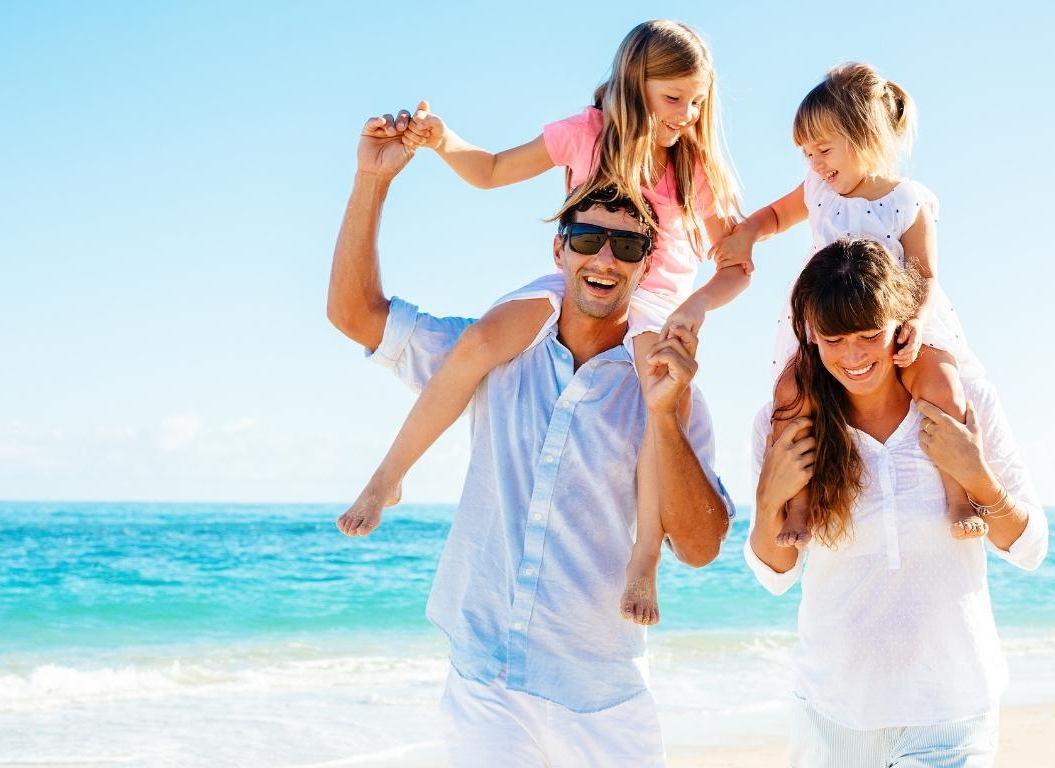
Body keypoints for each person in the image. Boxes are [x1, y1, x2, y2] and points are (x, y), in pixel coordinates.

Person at [328, 109, 733, 766]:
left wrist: (661, 415)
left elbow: (700, 545)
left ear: (645, 265)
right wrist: (371, 184)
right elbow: (355, 316)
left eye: (627, 247)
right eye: (587, 239)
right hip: (484, 681)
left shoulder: (666, 382)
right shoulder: (495, 349)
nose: (605, 259)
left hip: (602, 702)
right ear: (558, 249)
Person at [337, 19, 742, 627]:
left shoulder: (694, 168)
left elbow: (736, 266)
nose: (686, 114)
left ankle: (644, 559)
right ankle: (387, 478)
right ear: (635, 84)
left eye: (697, 101)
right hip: (576, 283)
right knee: (478, 341)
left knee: (663, 406)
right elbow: (494, 169)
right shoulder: (587, 133)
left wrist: (696, 306)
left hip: (654, 301)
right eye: (673, 98)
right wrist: (444, 141)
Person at [745, 238, 1048, 767]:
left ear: (901, 324)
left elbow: (1030, 548)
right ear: (811, 333)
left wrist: (974, 475)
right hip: (832, 720)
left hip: (952, 715)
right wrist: (771, 497)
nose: (855, 356)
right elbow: (775, 576)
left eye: (870, 335)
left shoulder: (963, 402)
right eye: (835, 339)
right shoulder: (788, 422)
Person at [702, 62, 985, 548]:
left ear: (865, 135)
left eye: (824, 149)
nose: (814, 162)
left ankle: (960, 496)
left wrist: (915, 324)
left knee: (942, 385)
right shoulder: (818, 190)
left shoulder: (906, 201)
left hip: (894, 323)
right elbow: (774, 215)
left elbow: (926, 273)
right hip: (826, 322)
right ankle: (798, 504)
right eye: (807, 153)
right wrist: (747, 232)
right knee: (793, 396)